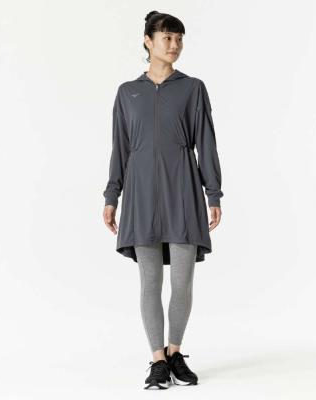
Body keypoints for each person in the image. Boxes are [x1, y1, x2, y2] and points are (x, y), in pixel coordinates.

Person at [102, 10, 223, 390]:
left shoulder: (193, 88)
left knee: (182, 282)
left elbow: (206, 143)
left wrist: (213, 192)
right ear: (148, 41)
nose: (174, 45)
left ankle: (175, 352)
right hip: (140, 195)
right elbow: (120, 149)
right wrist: (112, 195)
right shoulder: (128, 92)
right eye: (167, 38)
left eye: (179, 39)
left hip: (183, 192)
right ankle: (157, 359)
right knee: (149, 282)